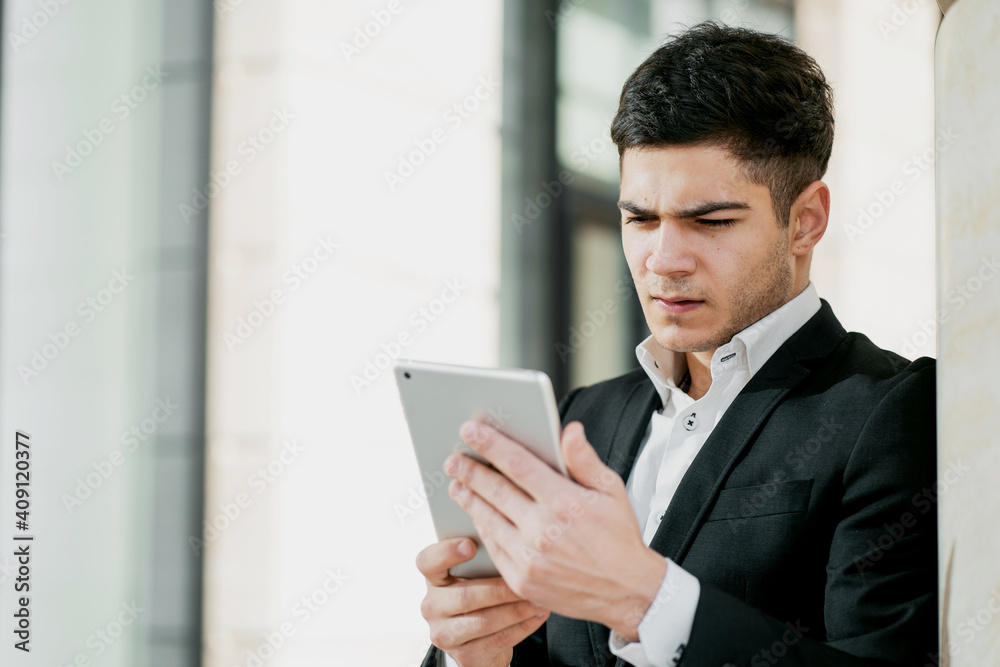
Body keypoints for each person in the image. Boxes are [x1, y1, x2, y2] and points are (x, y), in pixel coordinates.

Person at [416, 20, 937, 667]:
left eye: (709, 220)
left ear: (806, 220)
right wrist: (474, 650)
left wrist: (645, 598)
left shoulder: (892, 410)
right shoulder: (584, 416)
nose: (663, 260)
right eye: (639, 218)